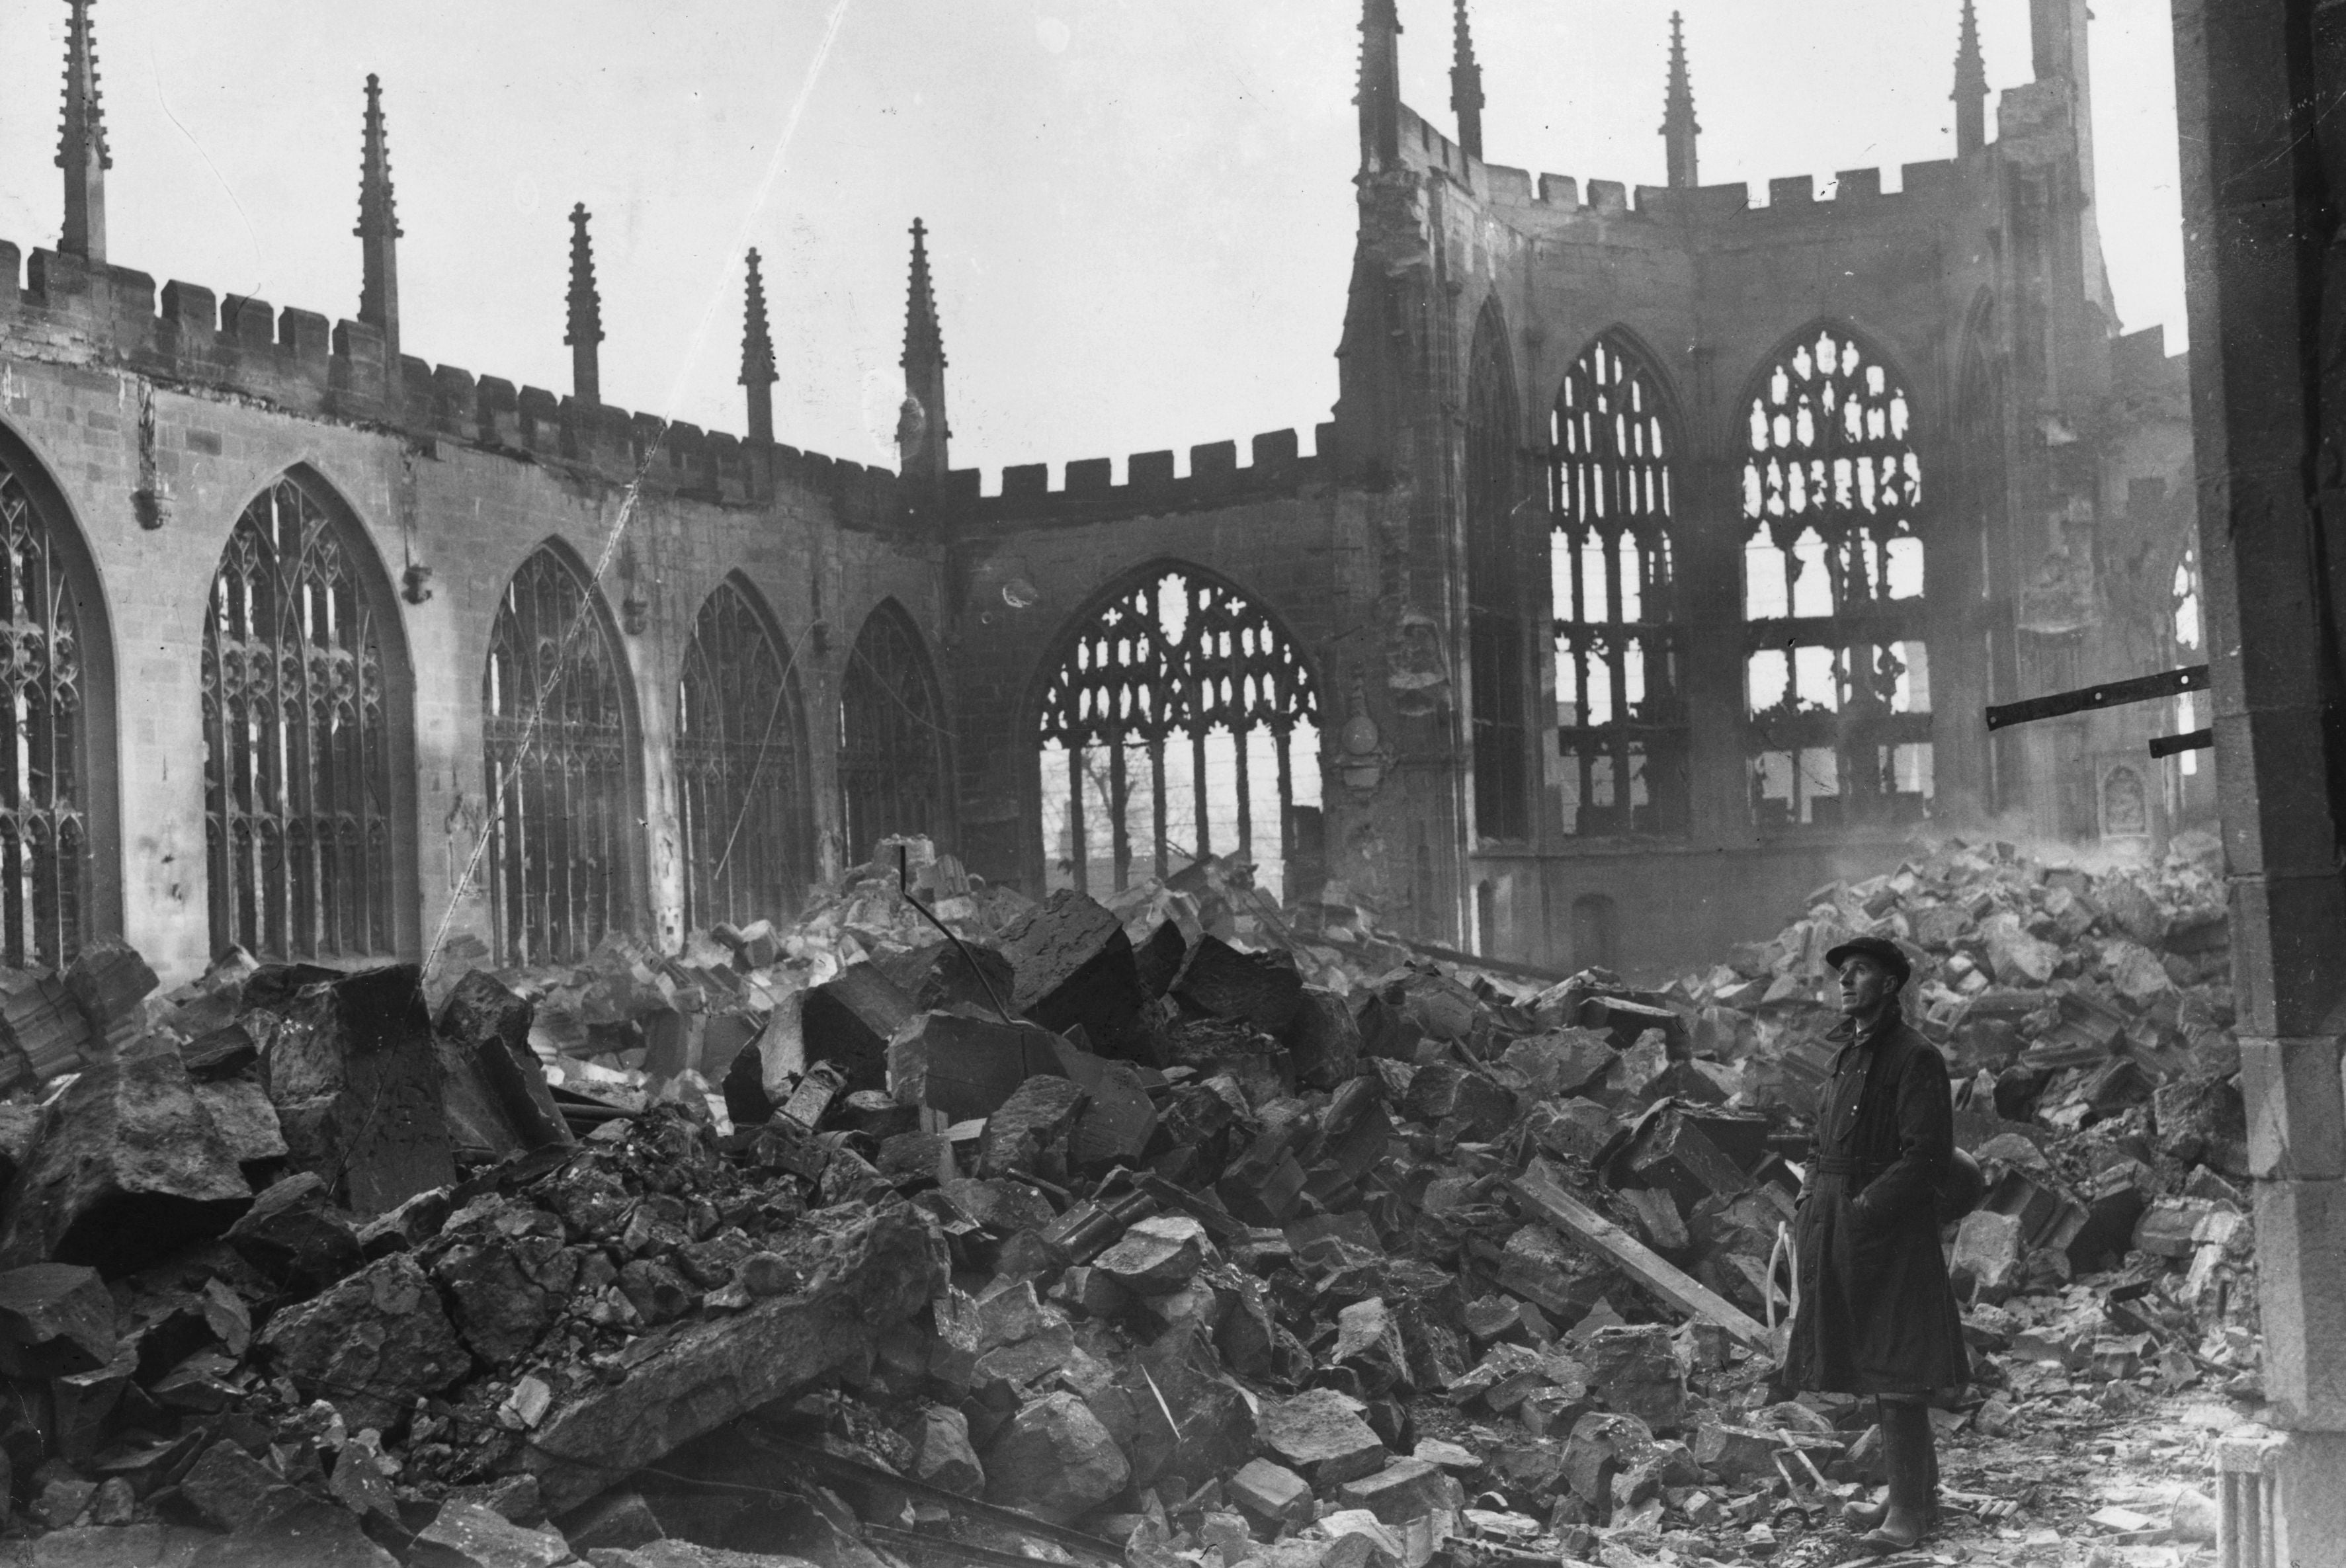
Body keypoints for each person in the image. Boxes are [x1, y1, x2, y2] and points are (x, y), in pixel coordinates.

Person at [1782, 936, 1968, 1553]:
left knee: (1897, 1365)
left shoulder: (1914, 1057)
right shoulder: (1843, 1057)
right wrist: (1811, 1200)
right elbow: (1819, 1142)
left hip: (1887, 1227)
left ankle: (1909, 1514)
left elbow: (1927, 1156)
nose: (1844, 981)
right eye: (1841, 972)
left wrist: (1865, 1209)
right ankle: (1915, 1496)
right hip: (1834, 1219)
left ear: (1890, 984)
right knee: (1866, 1353)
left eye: (1859, 971)